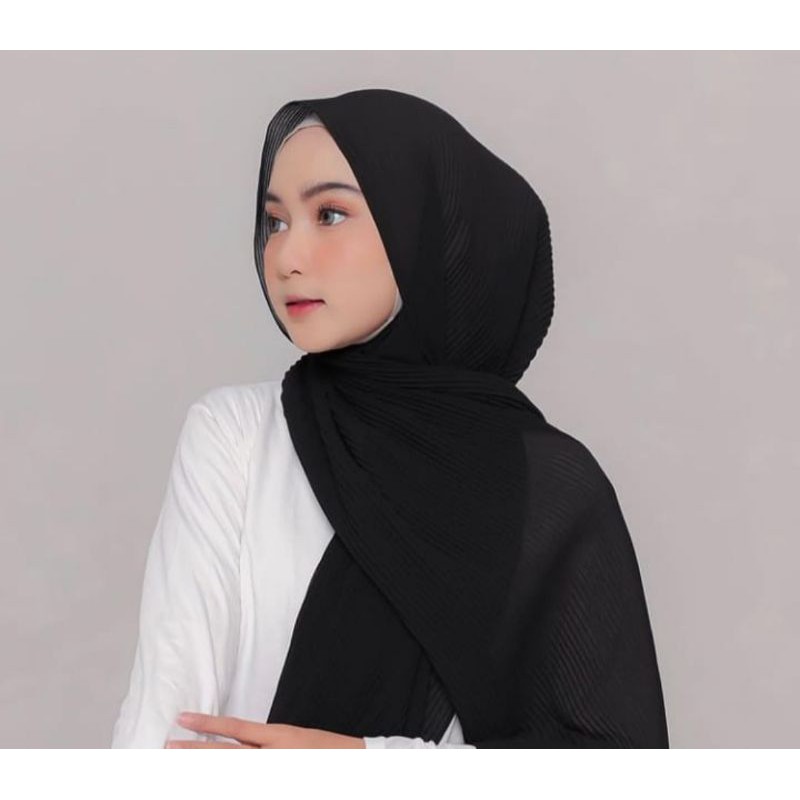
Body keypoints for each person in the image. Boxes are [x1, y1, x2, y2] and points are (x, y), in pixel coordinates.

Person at [111, 88, 669, 749]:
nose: (286, 257)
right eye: (275, 222)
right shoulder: (236, 437)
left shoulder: (547, 489)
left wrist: (361, 762)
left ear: (422, 230)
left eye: (330, 214)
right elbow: (162, 720)